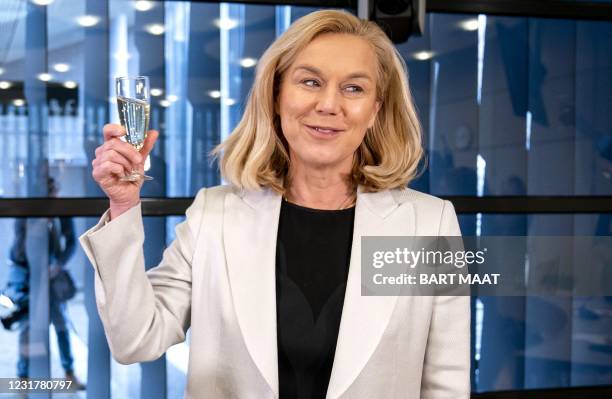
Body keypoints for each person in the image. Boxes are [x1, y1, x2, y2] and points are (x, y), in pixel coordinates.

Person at [80, 9, 469, 398]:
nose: (329, 104)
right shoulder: (214, 215)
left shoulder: (429, 225)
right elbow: (136, 339)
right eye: (310, 82)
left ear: (375, 111)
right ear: (277, 95)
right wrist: (124, 205)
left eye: (354, 88)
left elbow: (446, 383)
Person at [8, 177, 85, 390]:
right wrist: (36, 226)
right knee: (28, 328)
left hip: (51, 280)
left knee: (62, 326)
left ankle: (70, 374)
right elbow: (17, 252)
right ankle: (22, 379)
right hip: (30, 280)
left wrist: (58, 264)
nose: (54, 201)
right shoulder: (26, 215)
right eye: (51, 196)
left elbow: (71, 243)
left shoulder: (61, 214)